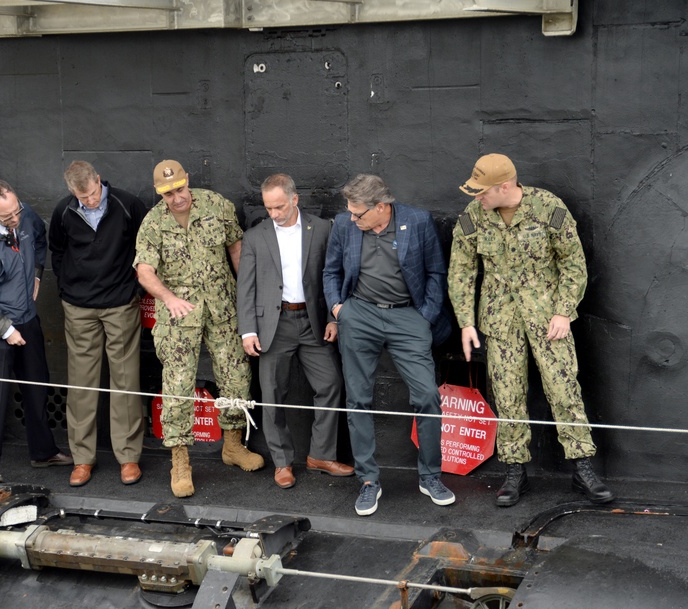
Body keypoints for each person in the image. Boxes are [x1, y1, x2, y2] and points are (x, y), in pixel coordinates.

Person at [449, 153, 614, 507]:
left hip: (547, 318)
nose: (477, 197)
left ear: (505, 186)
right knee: (507, 396)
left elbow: (573, 263)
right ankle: (514, 472)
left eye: (483, 191)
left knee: (564, 389)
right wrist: (466, 322)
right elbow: (461, 272)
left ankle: (582, 467)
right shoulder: (473, 217)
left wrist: (563, 312)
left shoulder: (548, 208)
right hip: (500, 319)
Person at [323, 174, 455, 516]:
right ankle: (368, 481)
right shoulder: (343, 224)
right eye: (350, 213)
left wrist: (424, 316)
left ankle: (430, 476)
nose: (352, 219)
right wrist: (339, 309)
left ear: (381, 207)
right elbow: (331, 272)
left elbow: (436, 274)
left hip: (407, 317)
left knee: (427, 395)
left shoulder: (418, 221)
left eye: (358, 213)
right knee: (358, 398)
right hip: (359, 316)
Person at [135, 159, 264, 498]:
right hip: (179, 316)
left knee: (235, 376)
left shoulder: (216, 205)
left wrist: (244, 296)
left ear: (187, 181)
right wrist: (168, 298)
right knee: (177, 386)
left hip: (222, 306)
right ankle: (180, 461)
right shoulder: (153, 222)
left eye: (178, 189)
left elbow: (236, 248)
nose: (175, 198)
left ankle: (233, 445)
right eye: (167, 194)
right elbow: (145, 271)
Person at [237, 173, 353, 489]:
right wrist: (247, 330)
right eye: (268, 208)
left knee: (330, 383)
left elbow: (334, 276)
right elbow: (245, 287)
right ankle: (282, 463)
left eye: (279, 207)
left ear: (294, 199)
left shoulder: (322, 230)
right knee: (273, 395)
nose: (273, 214)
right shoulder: (256, 237)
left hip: (313, 321)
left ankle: (321, 455)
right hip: (273, 326)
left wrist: (333, 317)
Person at [0, 179, 72, 482]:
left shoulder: (24, 215)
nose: (15, 219)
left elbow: (39, 238)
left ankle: (43, 452)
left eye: (16, 211)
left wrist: (37, 272)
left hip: (26, 316)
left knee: (37, 385)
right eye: (7, 216)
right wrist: (5, 329)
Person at [49, 161, 147, 487]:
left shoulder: (127, 204)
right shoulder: (64, 211)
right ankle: (82, 459)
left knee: (126, 380)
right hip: (78, 307)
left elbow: (144, 247)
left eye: (92, 194)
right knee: (81, 385)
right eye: (82, 197)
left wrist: (132, 287)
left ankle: (129, 457)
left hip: (120, 303)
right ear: (71, 192)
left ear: (98, 181)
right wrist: (67, 288)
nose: (89, 201)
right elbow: (58, 252)